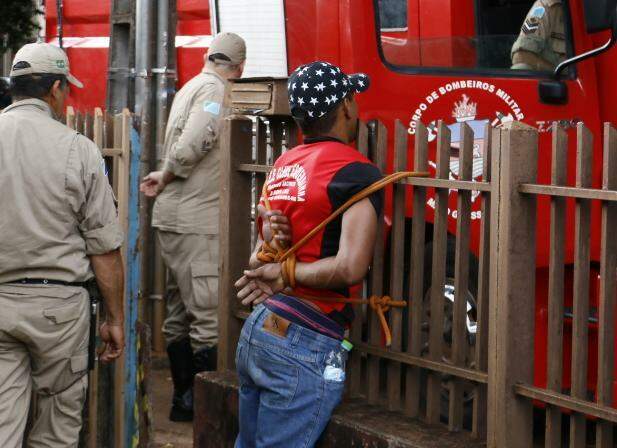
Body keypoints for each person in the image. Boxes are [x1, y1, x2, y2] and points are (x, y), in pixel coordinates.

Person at [234, 61, 382, 448]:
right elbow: (351, 266)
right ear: (347, 105)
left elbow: (258, 259)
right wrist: (288, 275)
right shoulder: (356, 172)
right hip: (304, 341)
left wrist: (280, 268)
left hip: (261, 331)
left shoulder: (283, 165)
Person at [0, 42, 125, 447]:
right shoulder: (79, 150)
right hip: (60, 311)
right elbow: (104, 248)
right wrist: (114, 318)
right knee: (57, 431)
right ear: (56, 89)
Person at [140, 32, 246, 422]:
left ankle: (184, 401)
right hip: (196, 221)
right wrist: (166, 174)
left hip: (175, 222)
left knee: (179, 310)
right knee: (208, 316)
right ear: (239, 67)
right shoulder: (215, 91)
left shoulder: (190, 86)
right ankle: (207, 412)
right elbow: (197, 139)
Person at [511, 0, 566, 71]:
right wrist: (558, 73)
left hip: (582, 75)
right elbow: (520, 56)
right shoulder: (541, 8)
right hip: (556, 78)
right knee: (521, 67)